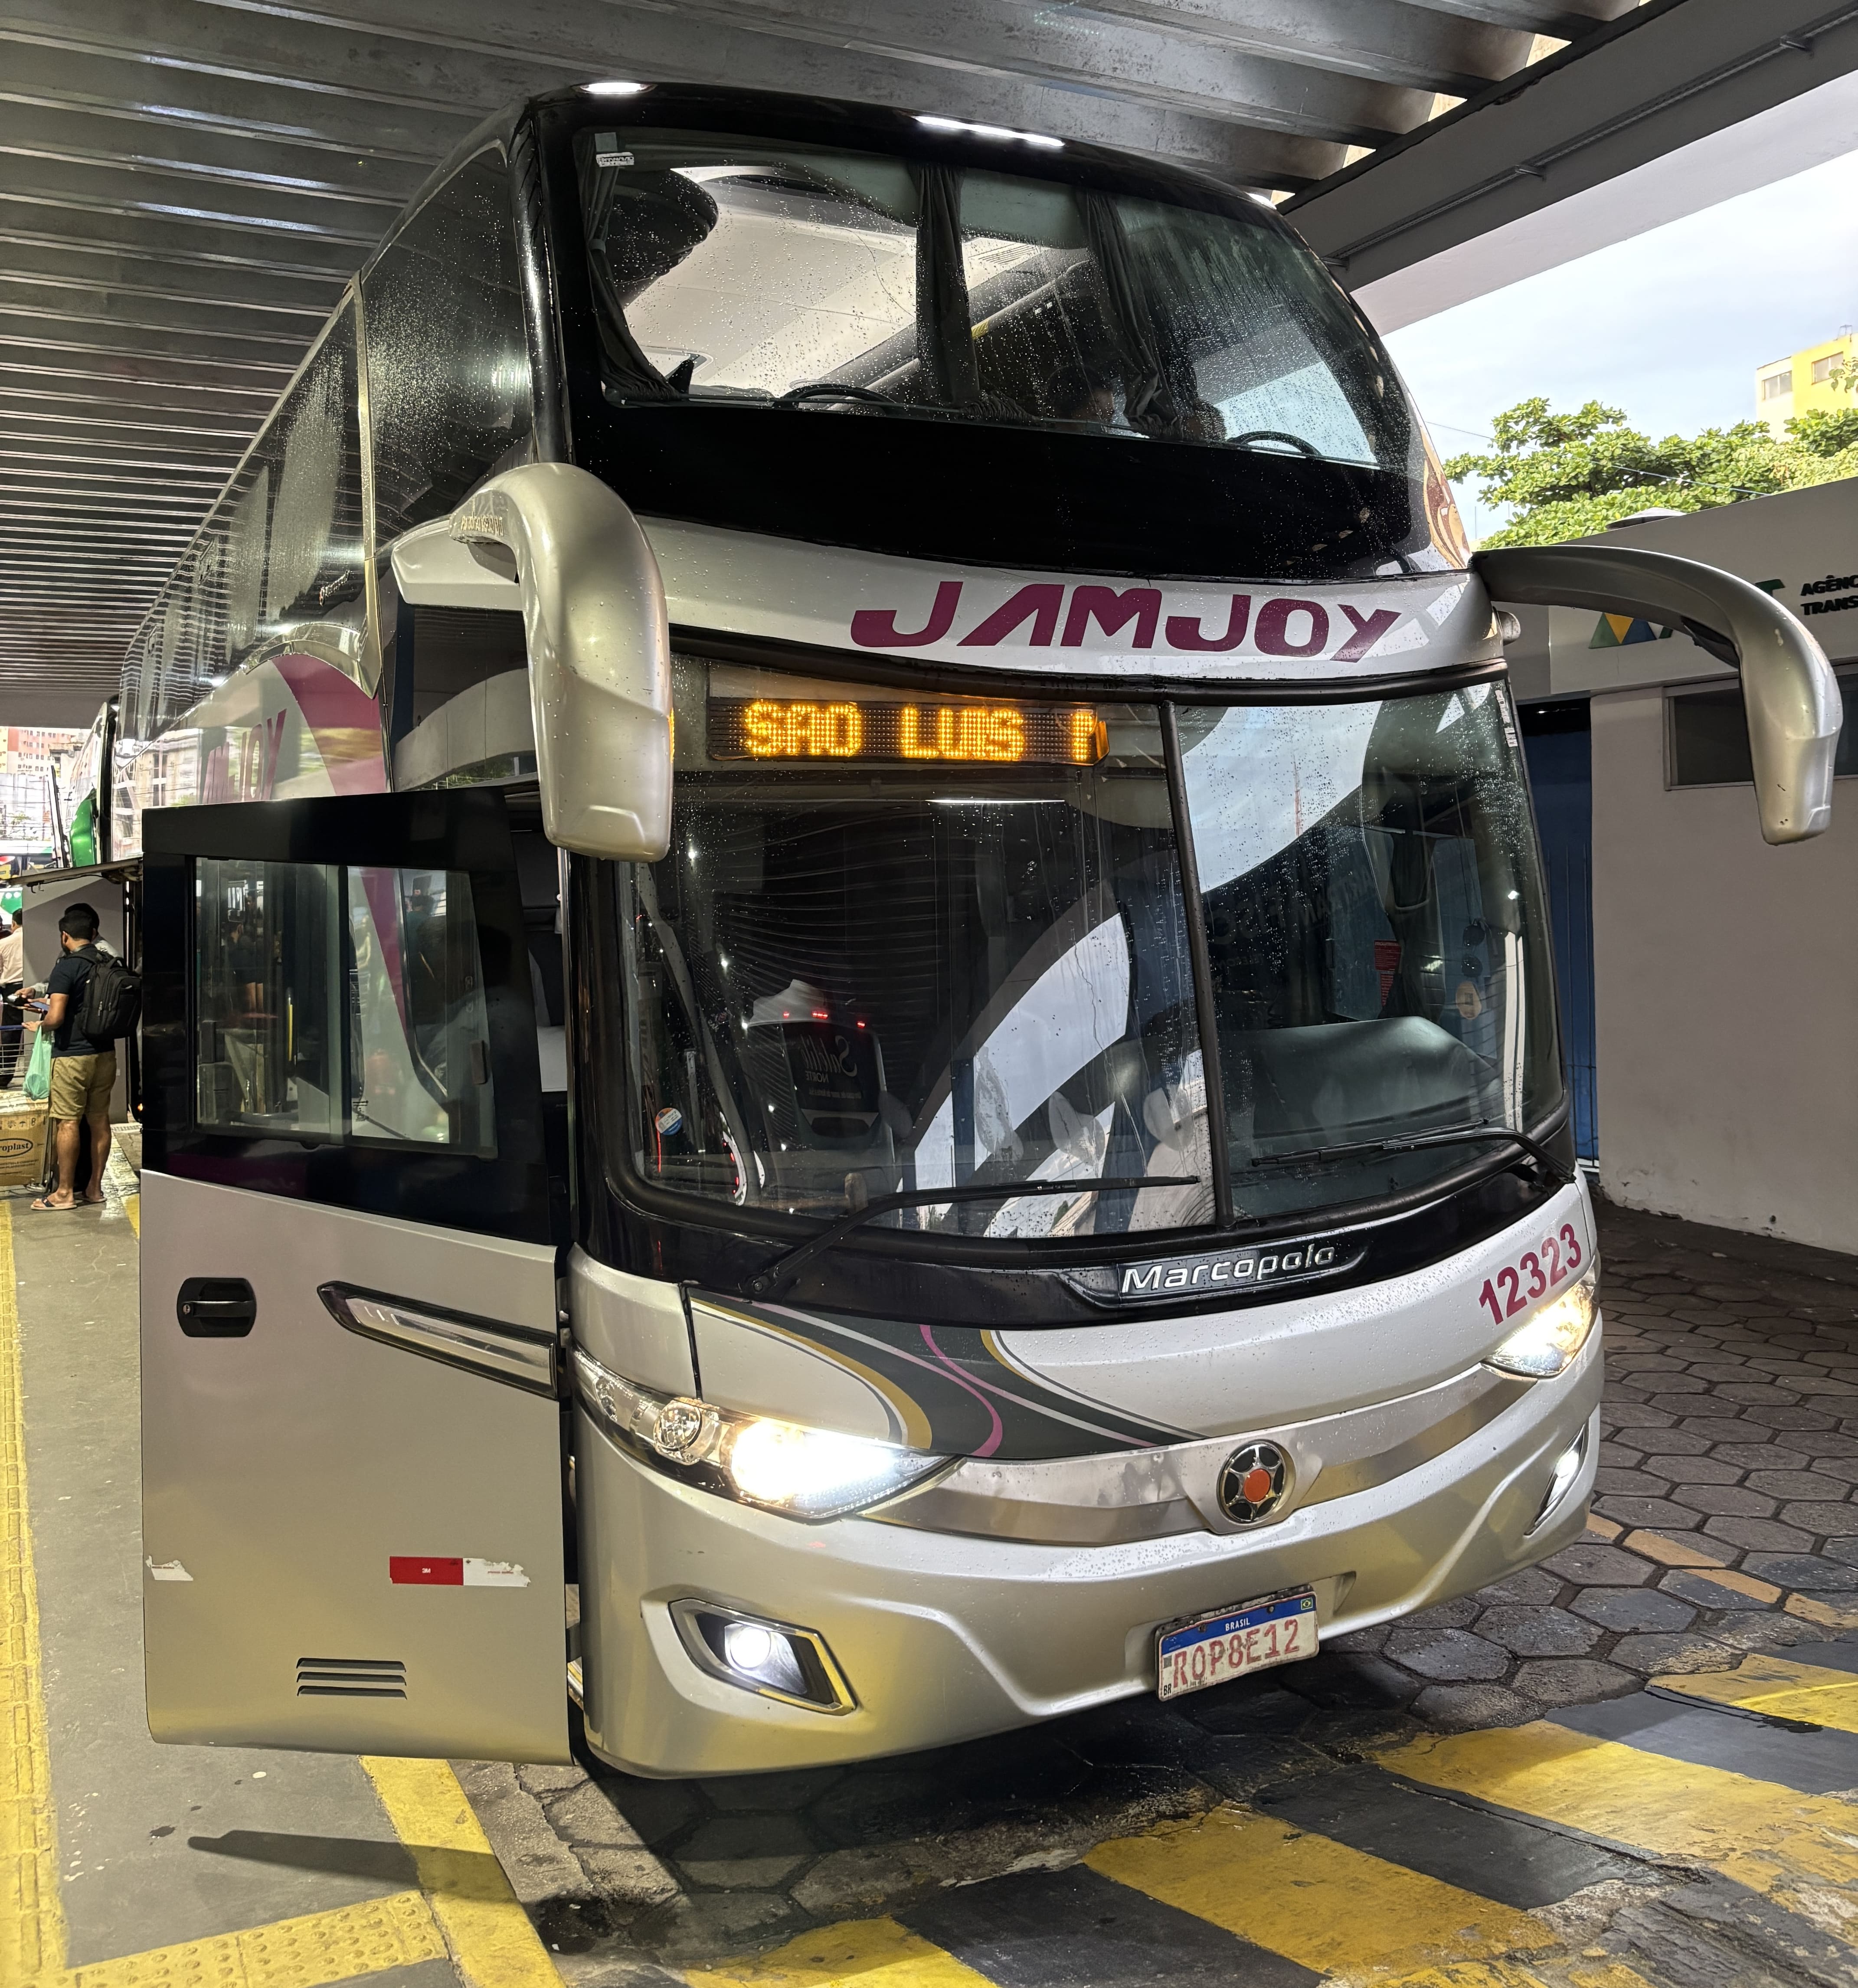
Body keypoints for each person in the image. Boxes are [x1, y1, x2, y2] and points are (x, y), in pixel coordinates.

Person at [31, 905, 114, 1211]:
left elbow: (56, 1018)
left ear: (65, 935)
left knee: (68, 1123)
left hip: (73, 1056)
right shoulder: (107, 960)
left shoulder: (66, 966)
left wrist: (39, 1022)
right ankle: (95, 1188)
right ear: (93, 934)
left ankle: (65, 1193)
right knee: (99, 1120)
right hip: (105, 1054)